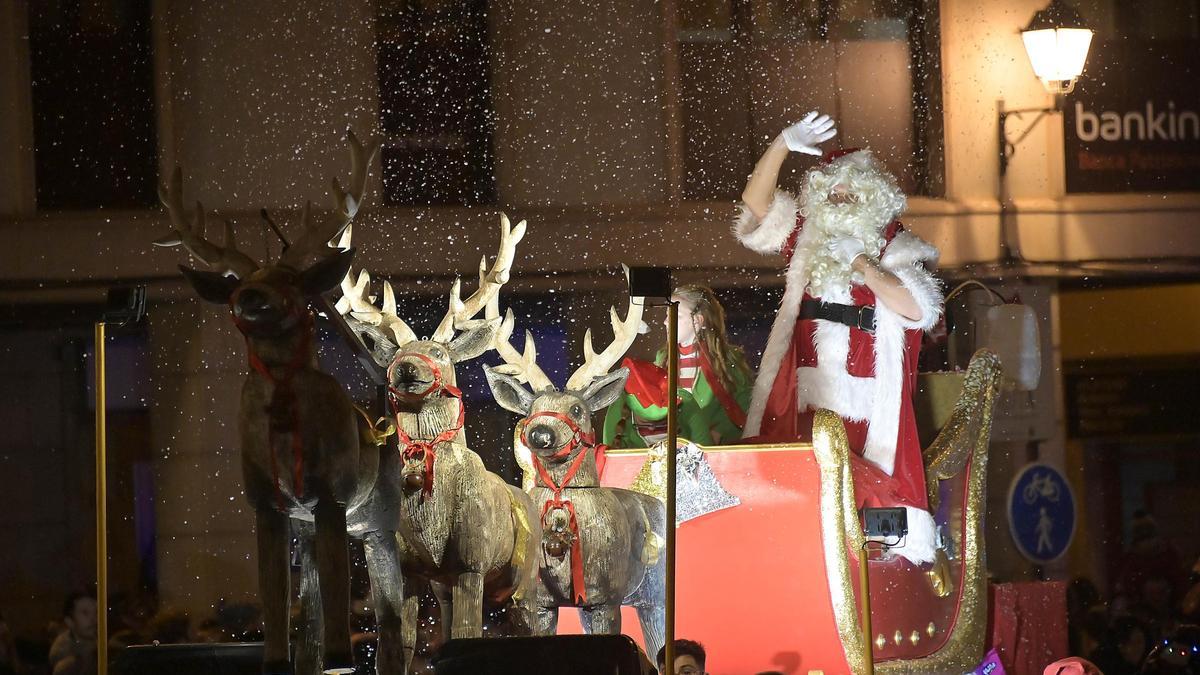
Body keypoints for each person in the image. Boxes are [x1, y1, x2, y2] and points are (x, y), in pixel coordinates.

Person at [734, 111, 943, 562]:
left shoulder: (895, 247)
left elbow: (917, 309)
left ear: (873, 199)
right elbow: (756, 205)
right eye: (830, 193)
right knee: (796, 496)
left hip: (868, 411)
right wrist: (782, 144)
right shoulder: (806, 240)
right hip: (804, 398)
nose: (838, 198)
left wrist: (864, 265)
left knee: (862, 506)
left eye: (849, 194)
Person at [603, 284, 753, 448]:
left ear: (697, 321)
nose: (666, 321)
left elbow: (743, 407)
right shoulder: (663, 360)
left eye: (676, 315)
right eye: (667, 314)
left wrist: (719, 433)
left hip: (711, 449)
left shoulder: (725, 362)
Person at [48, 591, 97, 675]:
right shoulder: (63, 654)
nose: (94, 619)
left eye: (96, 612)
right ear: (69, 621)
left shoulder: (103, 639)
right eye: (85, 613)